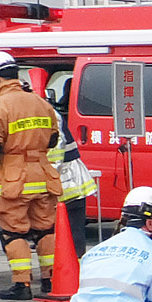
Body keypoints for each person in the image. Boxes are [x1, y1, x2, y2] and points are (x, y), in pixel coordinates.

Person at [0, 51, 61, 300]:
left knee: (14, 232)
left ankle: (22, 284)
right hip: (43, 173)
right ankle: (50, 279)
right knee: (46, 230)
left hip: (13, 177)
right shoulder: (41, 103)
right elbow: (54, 139)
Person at [47, 79, 97, 258]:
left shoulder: (47, 114)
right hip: (69, 180)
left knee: (67, 231)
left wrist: (44, 172)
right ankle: (73, 269)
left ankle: (69, 271)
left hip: (64, 181)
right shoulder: (49, 112)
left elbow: (55, 151)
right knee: (73, 230)